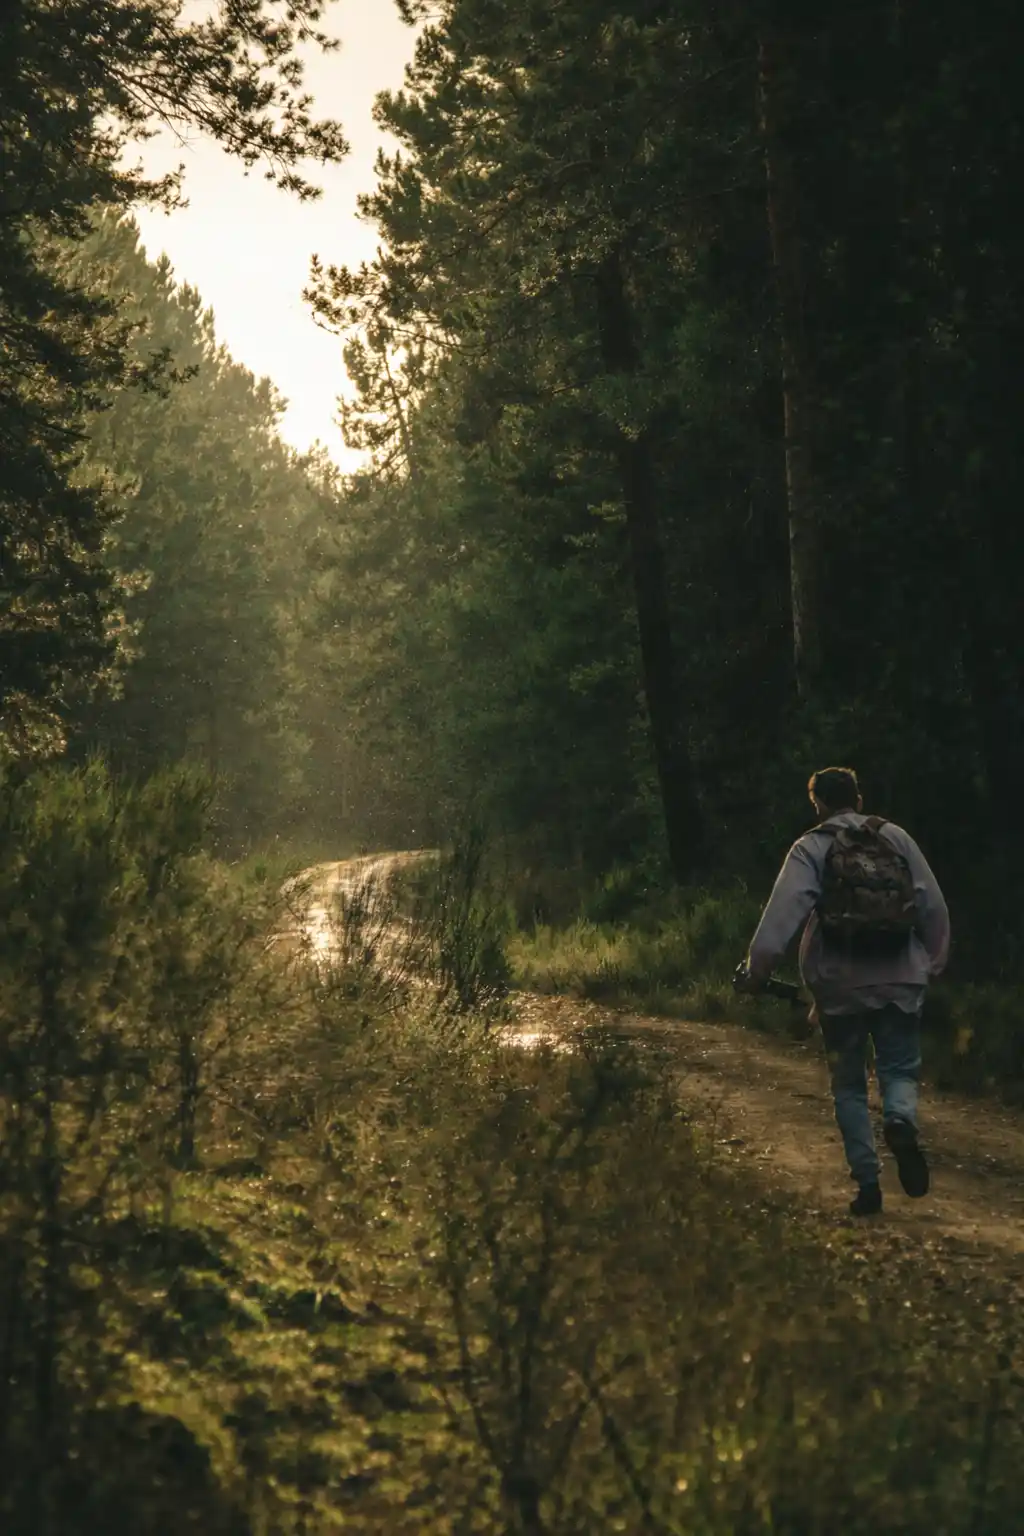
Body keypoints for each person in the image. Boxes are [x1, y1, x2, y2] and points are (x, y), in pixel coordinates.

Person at [738, 766, 950, 1216]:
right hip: (901, 975)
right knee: (899, 1068)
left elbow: (782, 917)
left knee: (849, 1084)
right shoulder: (896, 838)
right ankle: (899, 1119)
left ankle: (868, 1186)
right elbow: (931, 903)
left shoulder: (812, 847)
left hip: (839, 988)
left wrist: (757, 971)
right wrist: (931, 963)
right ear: (858, 796)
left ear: (817, 803)